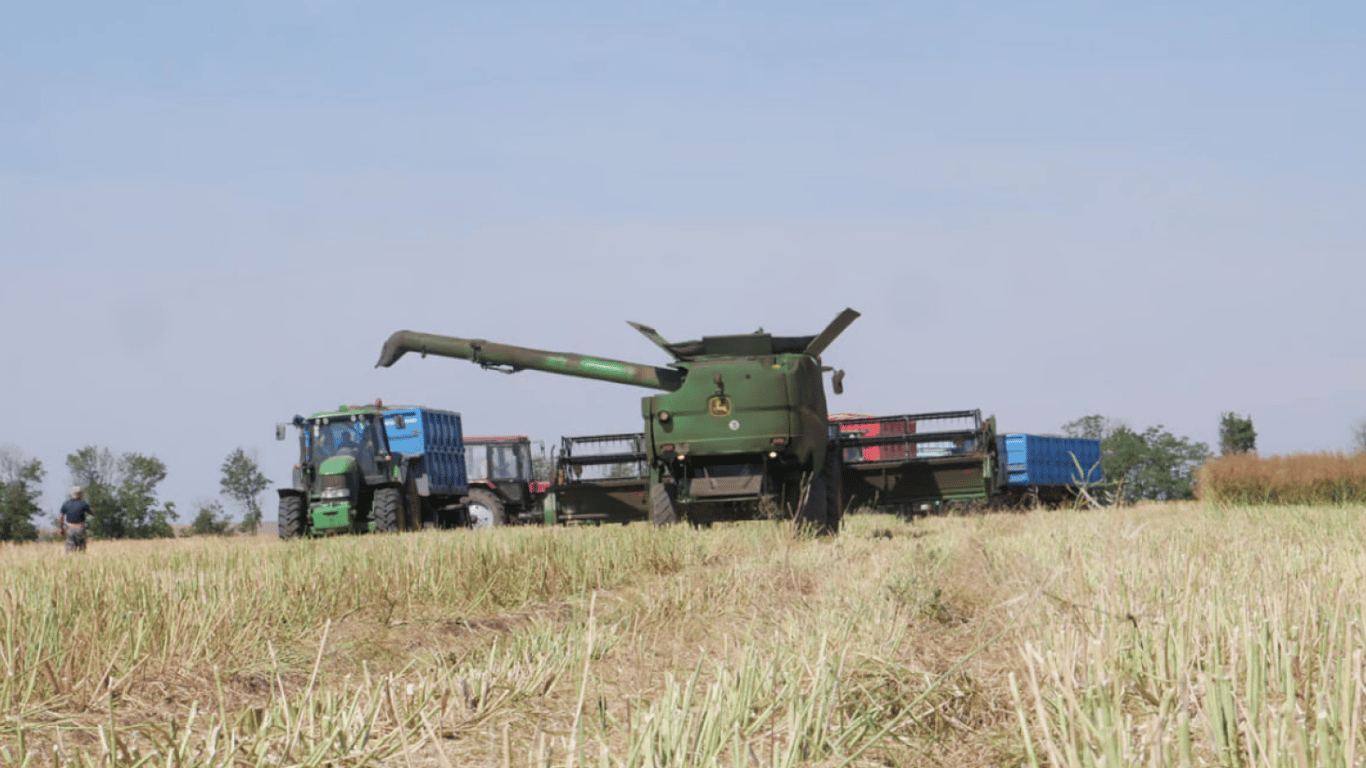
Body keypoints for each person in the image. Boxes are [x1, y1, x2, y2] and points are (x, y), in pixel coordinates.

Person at [59, 486, 95, 553]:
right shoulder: (83, 503)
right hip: (80, 528)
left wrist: (61, 528)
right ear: (80, 494)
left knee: (69, 550)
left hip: (70, 529)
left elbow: (61, 517)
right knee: (81, 549)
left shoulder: (66, 504)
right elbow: (92, 513)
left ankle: (70, 561)